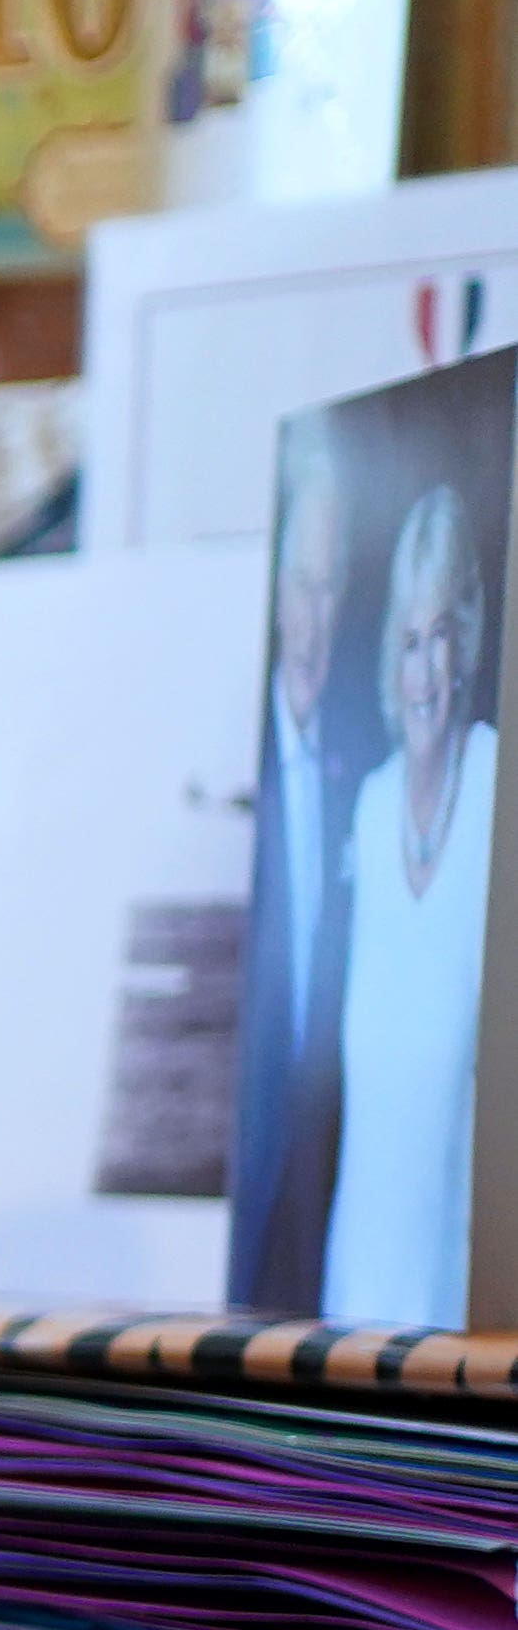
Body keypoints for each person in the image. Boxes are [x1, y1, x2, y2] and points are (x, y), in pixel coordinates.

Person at [322, 479, 495, 1325]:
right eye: (406, 642)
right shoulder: (373, 805)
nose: (423, 673)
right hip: (356, 1285)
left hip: (464, 1301)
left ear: (465, 646)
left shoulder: (500, 783)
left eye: (440, 639)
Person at [231, 445, 355, 1312]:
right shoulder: (230, 759)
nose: (313, 617)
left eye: (331, 587)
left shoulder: (363, 772)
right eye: (298, 584)